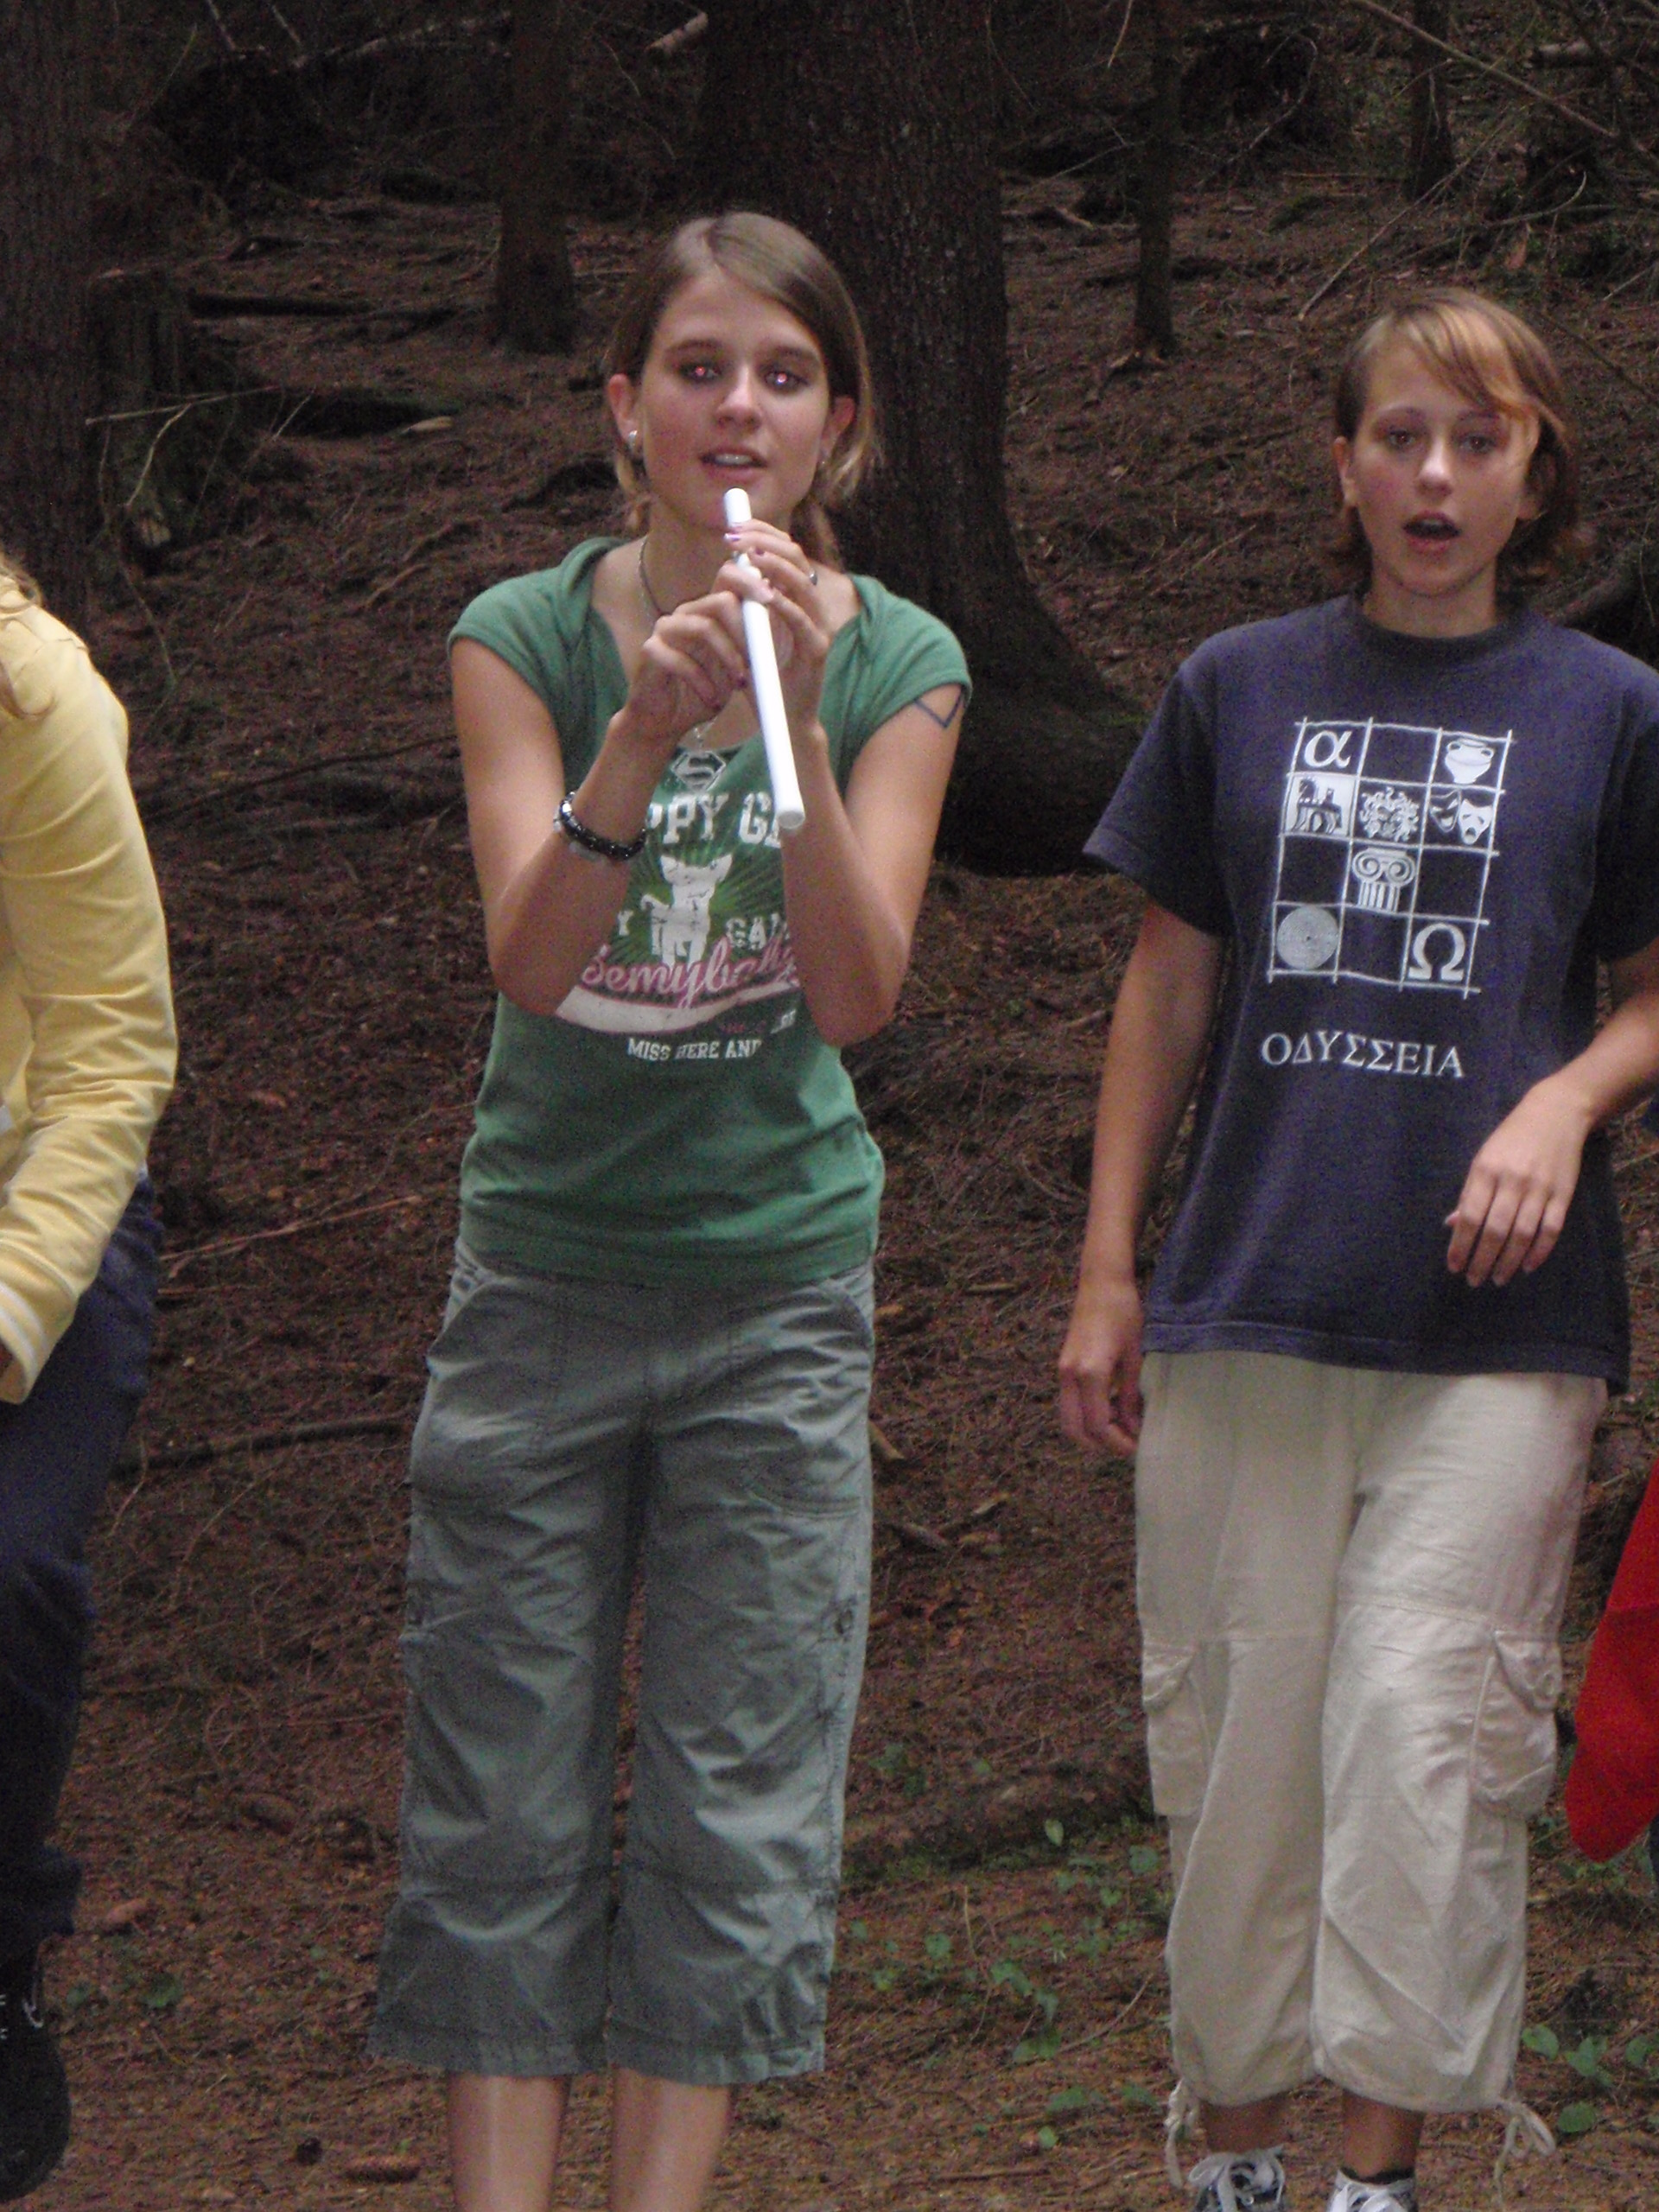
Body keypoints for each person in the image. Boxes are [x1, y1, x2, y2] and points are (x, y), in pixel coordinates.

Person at [370, 211, 968, 2212]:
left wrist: (787, 730)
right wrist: (642, 727)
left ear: (840, 426)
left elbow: (861, 993)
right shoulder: (516, 635)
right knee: (499, 1788)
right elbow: (533, 959)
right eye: (700, 368)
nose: (739, 409)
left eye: (784, 376)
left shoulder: (903, 664)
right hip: (540, 1279)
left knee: (736, 1797)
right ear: (624, 405)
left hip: (774, 1303)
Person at [1058, 289, 1659, 2212]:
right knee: (1238, 1736)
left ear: (1534, 475)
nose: (1436, 476)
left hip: (1501, 1328)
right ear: (1344, 462)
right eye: (1401, 436)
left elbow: (1653, 994)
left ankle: (1376, 2180)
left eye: (1480, 442)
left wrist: (1563, 1105)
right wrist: (1108, 1268)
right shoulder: (1237, 685)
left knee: (1423, 1730)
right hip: (1251, 1292)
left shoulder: (1611, 709)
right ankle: (1237, 2163)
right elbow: (1166, 988)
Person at [0, 557, 175, 2201]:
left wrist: (5, 1311)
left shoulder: (26, 688)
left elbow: (114, 1037)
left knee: (5, 1569)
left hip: (34, 1217)